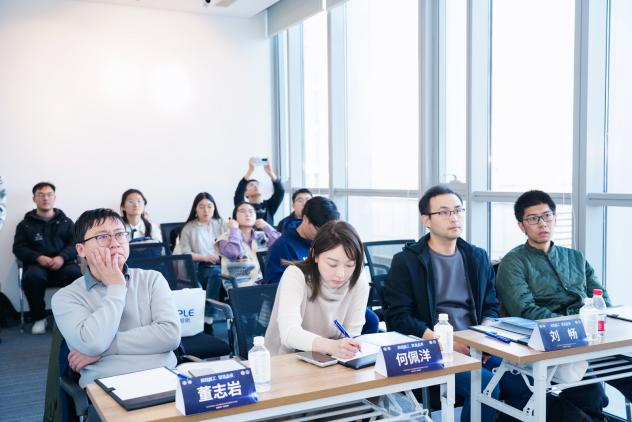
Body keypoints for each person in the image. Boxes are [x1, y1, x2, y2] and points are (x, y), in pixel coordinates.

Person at [382, 185, 528, 422]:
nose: (454, 217)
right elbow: (398, 317)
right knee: (483, 384)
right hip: (433, 348)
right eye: (444, 212)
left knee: (525, 383)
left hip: (477, 344)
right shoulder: (407, 261)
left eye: (458, 210)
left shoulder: (476, 256)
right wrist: (443, 342)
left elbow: (491, 305)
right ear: (426, 220)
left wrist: (482, 338)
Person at [496, 189, 632, 418]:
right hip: (552, 344)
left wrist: (598, 324)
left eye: (547, 216)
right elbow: (526, 310)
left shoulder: (574, 257)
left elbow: (601, 298)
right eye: (533, 219)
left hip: (591, 341)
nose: (542, 224)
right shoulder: (513, 262)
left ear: (555, 218)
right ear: (521, 226)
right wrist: (575, 327)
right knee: (591, 393)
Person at [51, 208, 180, 388]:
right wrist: (116, 287)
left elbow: (170, 335)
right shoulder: (66, 297)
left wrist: (105, 350)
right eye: (102, 237)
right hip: (107, 386)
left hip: (166, 378)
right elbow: (94, 343)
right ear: (81, 249)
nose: (115, 243)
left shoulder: (152, 279)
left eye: (120, 234)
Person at [265, 221, 371, 357]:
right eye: (332, 264)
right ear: (315, 255)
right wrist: (331, 346)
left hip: (332, 359)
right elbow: (289, 333)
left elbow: (352, 334)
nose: (341, 274)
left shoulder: (358, 280)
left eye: (350, 265)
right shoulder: (295, 275)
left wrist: (347, 347)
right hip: (287, 358)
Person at [13, 182, 82, 335]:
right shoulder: (24, 225)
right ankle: (39, 318)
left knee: (76, 274)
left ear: (54, 197)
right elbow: (19, 248)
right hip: (37, 266)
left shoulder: (66, 222)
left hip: (64, 264)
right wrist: (38, 257)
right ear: (34, 198)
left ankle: (74, 315)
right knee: (32, 277)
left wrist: (62, 257)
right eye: (41, 195)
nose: (45, 198)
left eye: (49, 194)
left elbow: (75, 244)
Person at [264, 196, 339, 285]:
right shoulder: (283, 247)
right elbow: (273, 285)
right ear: (305, 219)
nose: (323, 235)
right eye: (318, 230)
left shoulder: (327, 238)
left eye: (328, 230)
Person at [178, 192, 225, 321]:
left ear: (214, 208)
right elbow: (185, 253)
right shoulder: (188, 228)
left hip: (223, 264)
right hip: (200, 266)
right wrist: (205, 258)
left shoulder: (221, 224)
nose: (206, 210)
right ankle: (208, 318)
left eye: (209, 206)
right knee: (216, 273)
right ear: (195, 209)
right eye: (202, 206)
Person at [215, 202, 280, 285]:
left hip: (263, 283)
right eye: (242, 211)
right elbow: (233, 253)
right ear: (234, 217)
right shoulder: (225, 238)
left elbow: (281, 246)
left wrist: (267, 227)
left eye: (251, 211)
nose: (248, 214)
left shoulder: (262, 236)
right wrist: (234, 230)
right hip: (240, 284)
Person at [233, 157, 285, 225]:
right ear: (245, 193)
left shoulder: (269, 205)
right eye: (251, 185)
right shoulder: (243, 206)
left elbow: (280, 191)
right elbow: (239, 192)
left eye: (257, 184)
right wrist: (250, 170)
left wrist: (270, 172)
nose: (255, 186)